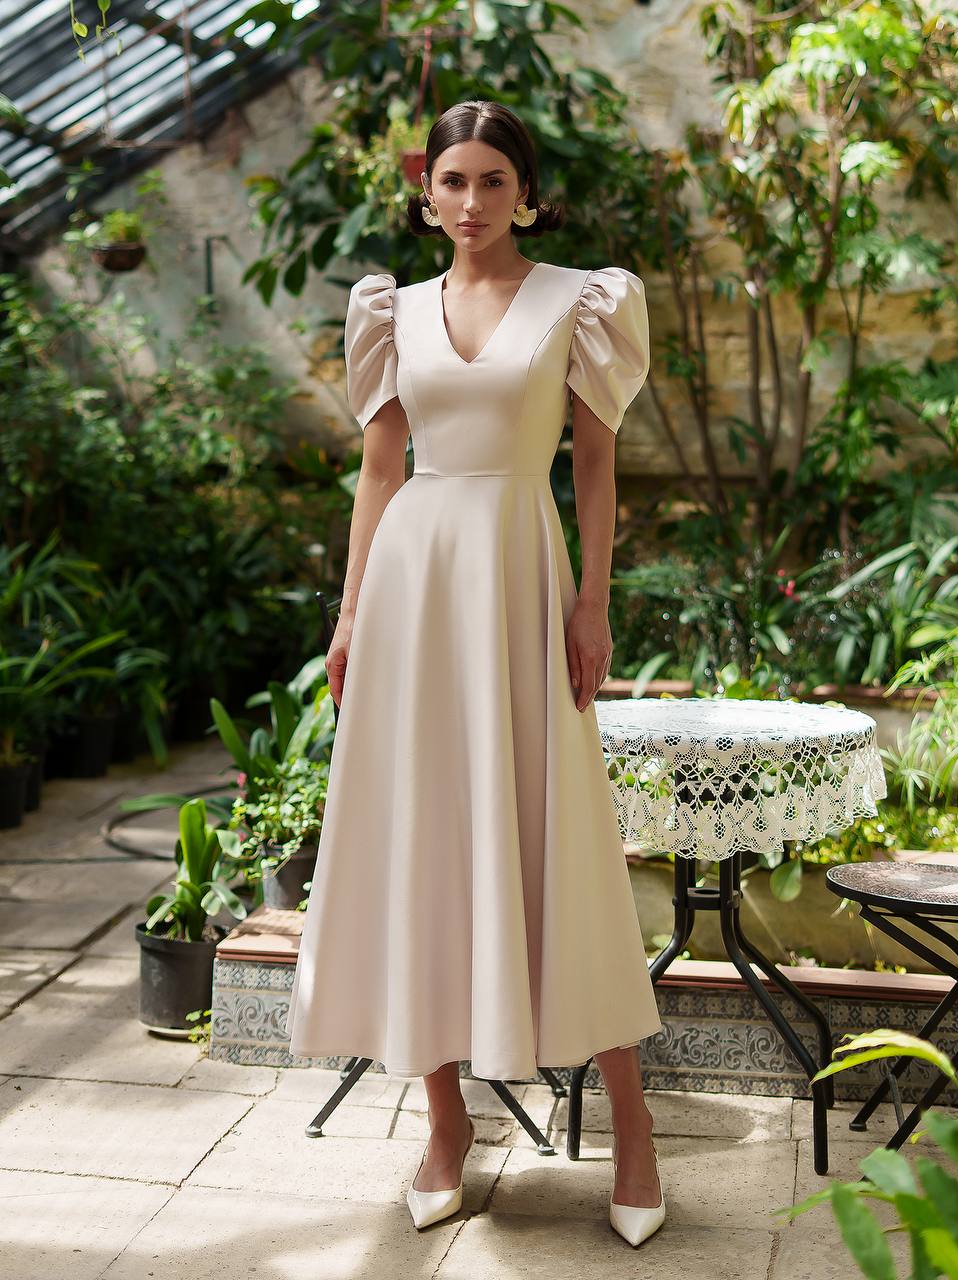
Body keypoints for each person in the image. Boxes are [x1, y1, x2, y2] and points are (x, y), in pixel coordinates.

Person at [285, 98, 665, 1247]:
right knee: (422, 842)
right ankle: (444, 1123)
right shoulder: (391, 310)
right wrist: (351, 613)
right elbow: (379, 468)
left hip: (518, 578)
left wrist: (592, 600)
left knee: (560, 839)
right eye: (452, 179)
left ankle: (633, 1128)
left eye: (492, 180)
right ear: (426, 191)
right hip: (412, 589)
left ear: (525, 194)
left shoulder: (578, 301)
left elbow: (592, 463)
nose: (470, 200)